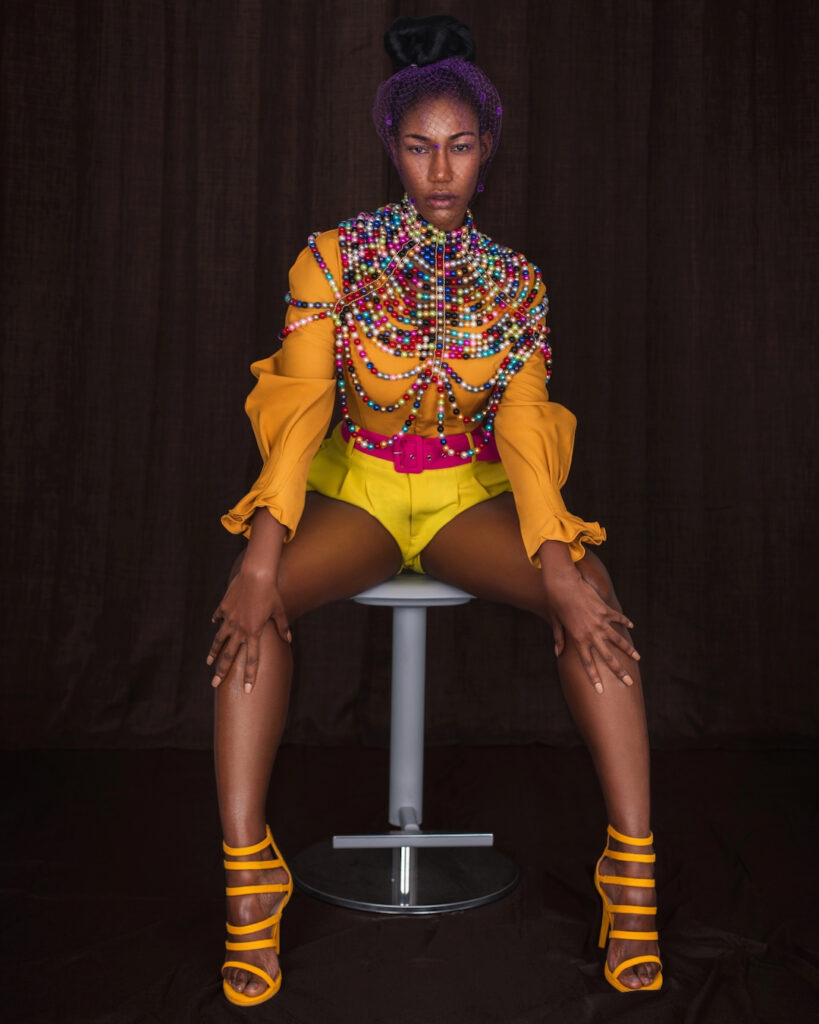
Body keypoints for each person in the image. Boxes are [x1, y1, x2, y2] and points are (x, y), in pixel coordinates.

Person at [207, 14, 663, 1007]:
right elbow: (298, 411)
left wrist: (557, 571)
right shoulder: (331, 260)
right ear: (394, 150)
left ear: (486, 149)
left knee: (593, 590)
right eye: (420, 148)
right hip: (361, 489)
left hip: (466, 497)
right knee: (254, 602)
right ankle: (252, 880)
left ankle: (631, 869)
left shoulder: (517, 284)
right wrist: (258, 558)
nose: (440, 170)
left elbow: (528, 431)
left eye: (459, 147)